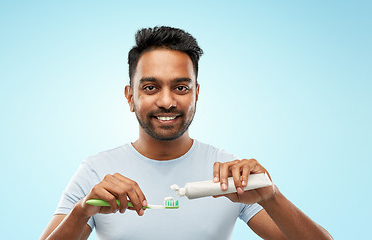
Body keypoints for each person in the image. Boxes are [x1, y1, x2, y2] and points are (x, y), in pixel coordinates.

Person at [40, 26, 332, 240]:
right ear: (130, 97)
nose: (167, 101)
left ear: (196, 94)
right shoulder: (96, 171)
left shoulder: (229, 175)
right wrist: (81, 212)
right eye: (151, 87)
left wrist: (271, 197)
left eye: (181, 87)